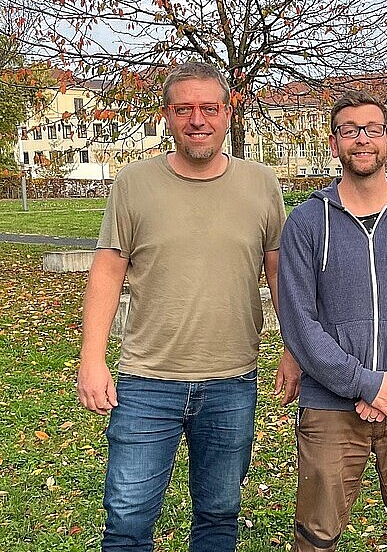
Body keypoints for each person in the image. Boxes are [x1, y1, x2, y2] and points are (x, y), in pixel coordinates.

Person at [76, 61, 301, 552]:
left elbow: (278, 270)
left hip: (231, 381)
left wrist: (293, 346)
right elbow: (109, 269)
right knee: (128, 522)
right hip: (145, 381)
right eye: (184, 109)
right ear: (167, 115)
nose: (197, 119)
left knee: (219, 517)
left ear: (228, 113)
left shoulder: (262, 183)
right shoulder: (133, 183)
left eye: (209, 108)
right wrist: (91, 359)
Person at [278, 90, 387, 552]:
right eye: (349, 130)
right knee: (316, 535)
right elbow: (299, 320)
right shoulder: (306, 222)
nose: (362, 139)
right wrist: (362, 383)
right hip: (330, 405)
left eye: (372, 129)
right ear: (334, 142)